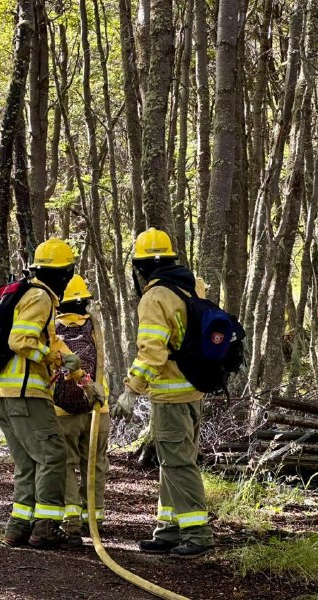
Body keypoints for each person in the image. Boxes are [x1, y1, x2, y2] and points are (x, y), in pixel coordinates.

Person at [111, 227, 214, 559]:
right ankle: (168, 530)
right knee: (172, 461)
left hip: (170, 393)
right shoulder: (192, 285)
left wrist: (130, 391)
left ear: (142, 267)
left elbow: (152, 352)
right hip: (194, 388)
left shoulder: (155, 297)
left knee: (178, 463)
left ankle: (197, 534)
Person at [0, 238, 91, 549]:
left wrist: (84, 381)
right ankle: (45, 528)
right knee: (53, 456)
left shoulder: (31, 294)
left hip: (7, 395)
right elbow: (20, 341)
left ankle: (18, 527)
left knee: (28, 463)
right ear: (62, 273)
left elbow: (55, 345)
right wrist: (54, 360)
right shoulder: (41, 298)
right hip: (28, 395)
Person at [53, 274, 109, 545]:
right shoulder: (96, 326)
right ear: (84, 301)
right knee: (94, 464)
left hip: (60, 411)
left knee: (65, 465)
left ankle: (71, 521)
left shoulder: (51, 328)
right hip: (97, 406)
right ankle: (94, 519)